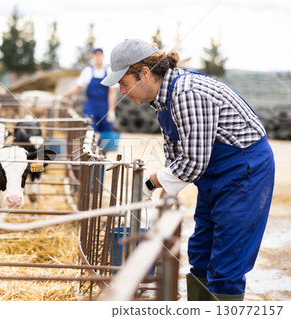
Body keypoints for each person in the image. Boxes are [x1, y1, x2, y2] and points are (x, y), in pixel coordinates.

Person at [101, 39, 275, 301]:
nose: (122, 91)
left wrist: (150, 184)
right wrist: (163, 196)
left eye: (124, 83)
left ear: (145, 74)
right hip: (214, 174)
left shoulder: (186, 93)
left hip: (244, 170)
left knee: (229, 256)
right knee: (201, 250)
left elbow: (193, 162)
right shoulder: (163, 102)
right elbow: (176, 158)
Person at [62, 48, 118, 133]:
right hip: (91, 107)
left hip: (105, 107)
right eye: (96, 55)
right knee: (89, 131)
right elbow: (78, 87)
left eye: (100, 54)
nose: (98, 57)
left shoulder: (109, 71)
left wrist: (111, 111)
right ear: (92, 57)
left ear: (103, 56)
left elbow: (112, 93)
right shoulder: (87, 71)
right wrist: (63, 95)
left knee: (106, 133)